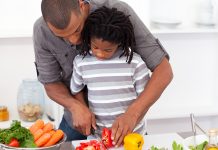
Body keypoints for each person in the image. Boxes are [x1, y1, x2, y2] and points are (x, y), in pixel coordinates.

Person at [33, 0, 173, 146]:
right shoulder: (41, 30)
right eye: (62, 37)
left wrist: (132, 114)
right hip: (75, 123)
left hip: (125, 127)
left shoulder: (117, 11)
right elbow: (51, 84)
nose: (73, 40)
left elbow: (164, 71)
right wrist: (75, 106)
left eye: (76, 29)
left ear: (81, 5)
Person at [70, 6, 150, 140]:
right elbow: (76, 89)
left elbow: (145, 100)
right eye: (95, 47)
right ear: (88, 38)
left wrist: (132, 120)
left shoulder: (134, 63)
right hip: (97, 137)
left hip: (132, 136)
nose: (100, 54)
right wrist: (84, 110)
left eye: (107, 50)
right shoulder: (81, 62)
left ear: (119, 43)